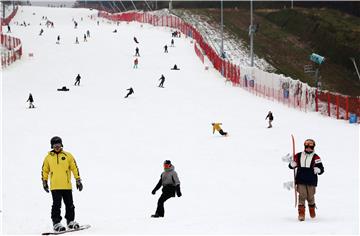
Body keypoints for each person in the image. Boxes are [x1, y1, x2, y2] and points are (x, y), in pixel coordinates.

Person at [41, 136, 83, 232]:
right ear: (52, 145)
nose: (57, 146)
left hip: (66, 186)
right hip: (55, 186)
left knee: (70, 204)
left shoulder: (68, 155)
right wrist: (44, 182)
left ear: (61, 144)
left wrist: (78, 180)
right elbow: (45, 170)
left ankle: (70, 221)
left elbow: (74, 168)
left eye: (58, 144)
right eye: (55, 144)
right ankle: (56, 223)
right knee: (56, 205)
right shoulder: (48, 158)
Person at [288, 139, 324, 221]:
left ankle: (312, 209)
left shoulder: (316, 157)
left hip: (311, 180)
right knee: (302, 195)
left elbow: (322, 168)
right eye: (307, 147)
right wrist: (292, 164)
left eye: (310, 147)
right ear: (305, 147)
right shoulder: (299, 155)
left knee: (310, 196)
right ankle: (301, 214)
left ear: (313, 147)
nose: (308, 148)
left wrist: (319, 170)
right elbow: (291, 165)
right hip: (300, 179)